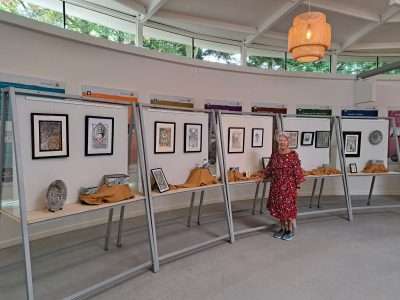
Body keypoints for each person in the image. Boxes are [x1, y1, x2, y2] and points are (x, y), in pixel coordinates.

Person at [263, 132, 305, 241]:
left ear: (288, 142)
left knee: (288, 209)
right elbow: (269, 169)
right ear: (278, 141)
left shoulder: (293, 155)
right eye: (280, 140)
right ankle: (282, 228)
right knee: (279, 208)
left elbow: (297, 171)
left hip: (289, 186)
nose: (282, 142)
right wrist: (262, 177)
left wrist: (297, 187)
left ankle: (289, 230)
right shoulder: (275, 155)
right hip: (276, 186)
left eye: (284, 140)